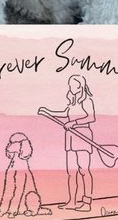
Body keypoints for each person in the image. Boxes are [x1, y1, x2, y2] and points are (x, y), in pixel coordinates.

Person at [40, 75, 96, 212]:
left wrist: (74, 123)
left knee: (83, 170)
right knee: (71, 172)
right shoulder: (72, 102)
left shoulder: (87, 100)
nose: (70, 87)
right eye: (70, 85)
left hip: (82, 136)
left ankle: (87, 202)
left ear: (79, 86)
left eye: (72, 84)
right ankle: (72, 201)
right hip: (70, 137)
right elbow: (65, 113)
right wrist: (48, 112)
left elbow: (91, 117)